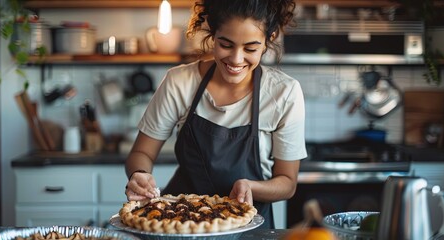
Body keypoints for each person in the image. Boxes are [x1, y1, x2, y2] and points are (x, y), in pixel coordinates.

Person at [124, 0, 307, 229]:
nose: (236, 59)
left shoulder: (284, 93)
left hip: (248, 228)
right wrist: (139, 175)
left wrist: (251, 186)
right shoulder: (180, 82)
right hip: (178, 223)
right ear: (212, 33)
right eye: (225, 45)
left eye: (250, 48)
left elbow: (287, 183)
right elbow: (141, 152)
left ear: (268, 40)